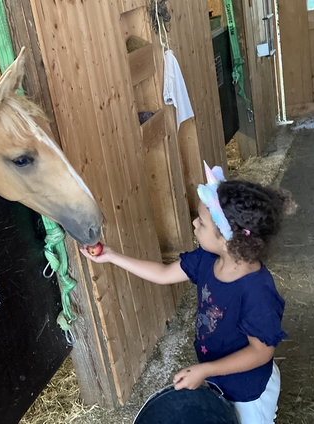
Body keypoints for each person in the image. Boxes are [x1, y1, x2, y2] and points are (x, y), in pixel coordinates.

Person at [80, 161, 291, 424]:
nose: (194, 222)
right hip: (218, 377)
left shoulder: (257, 292)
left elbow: (261, 352)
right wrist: (112, 257)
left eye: (201, 222)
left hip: (248, 390)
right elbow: (163, 274)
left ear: (227, 240)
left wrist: (205, 370)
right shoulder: (207, 259)